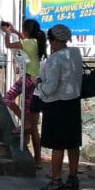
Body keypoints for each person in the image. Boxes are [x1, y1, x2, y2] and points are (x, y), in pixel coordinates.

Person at [36, 24, 82, 190]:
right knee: (73, 142)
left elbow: (51, 87)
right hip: (74, 102)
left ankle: (56, 180)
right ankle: (73, 177)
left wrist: (39, 85)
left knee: (58, 145)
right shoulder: (76, 53)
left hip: (57, 104)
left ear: (54, 40)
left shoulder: (55, 59)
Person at [0, 19, 47, 169]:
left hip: (27, 78)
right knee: (33, 128)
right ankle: (37, 160)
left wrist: (7, 34)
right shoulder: (36, 41)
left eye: (22, 30)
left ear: (26, 31)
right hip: (34, 81)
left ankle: (24, 122)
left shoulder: (27, 43)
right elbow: (25, 39)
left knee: (7, 98)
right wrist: (14, 31)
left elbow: (8, 45)